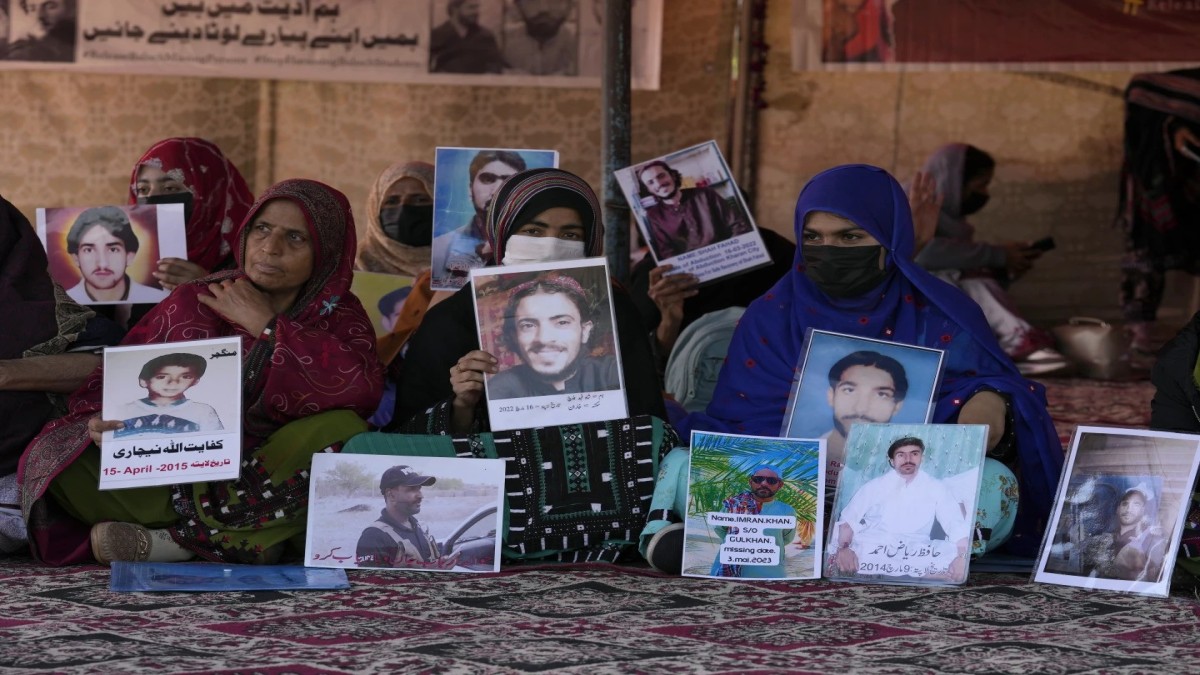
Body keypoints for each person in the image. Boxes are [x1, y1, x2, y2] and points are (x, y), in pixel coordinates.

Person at [649, 164, 1063, 567]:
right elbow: (743, 418)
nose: (830, 251)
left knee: (994, 484)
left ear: (890, 239)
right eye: (813, 237)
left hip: (905, 492)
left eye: (850, 237)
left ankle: (794, 543)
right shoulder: (773, 314)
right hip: (781, 485)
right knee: (683, 463)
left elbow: (981, 386)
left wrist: (987, 400)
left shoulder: (936, 312)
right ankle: (884, 550)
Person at [19, 179, 384, 566]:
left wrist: (268, 326)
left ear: (325, 253)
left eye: (295, 237)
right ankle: (248, 536)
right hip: (176, 475)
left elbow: (361, 391)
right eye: (262, 229)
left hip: (277, 469)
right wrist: (100, 422)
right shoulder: (196, 298)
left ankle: (180, 541)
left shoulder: (340, 314)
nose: (270, 247)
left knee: (345, 431)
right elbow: (117, 379)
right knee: (56, 457)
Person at [393, 167, 665, 434]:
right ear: (502, 232)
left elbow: (648, 423)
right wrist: (462, 406)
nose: (551, 246)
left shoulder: (616, 311)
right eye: (533, 231)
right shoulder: (452, 321)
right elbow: (413, 440)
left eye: (570, 235)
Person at [914, 143, 1067, 374]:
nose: (985, 193)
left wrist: (1005, 268)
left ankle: (1004, 348)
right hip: (906, 296)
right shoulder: (912, 204)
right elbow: (923, 254)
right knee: (967, 275)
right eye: (981, 184)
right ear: (955, 180)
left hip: (939, 294)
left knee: (970, 275)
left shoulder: (956, 225)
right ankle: (1019, 343)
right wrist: (997, 255)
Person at [1115, 69, 1200, 358]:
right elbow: (1143, 91)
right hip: (1167, 182)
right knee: (1146, 253)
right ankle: (1141, 336)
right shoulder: (1169, 86)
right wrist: (1172, 126)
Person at [828, 436, 971, 582]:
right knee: (847, 548)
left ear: (922, 458)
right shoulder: (875, 486)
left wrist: (961, 557)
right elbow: (849, 521)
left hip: (916, 549)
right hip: (875, 544)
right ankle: (920, 574)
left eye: (914, 454)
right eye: (901, 455)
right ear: (892, 461)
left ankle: (886, 572)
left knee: (952, 553)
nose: (908, 459)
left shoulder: (936, 487)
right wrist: (844, 549)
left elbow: (955, 524)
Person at [131, 137, 255, 293]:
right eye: (142, 189)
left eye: (170, 188)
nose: (151, 200)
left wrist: (210, 286)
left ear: (212, 194)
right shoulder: (120, 253)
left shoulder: (252, 257)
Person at [487, 272, 619, 400]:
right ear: (514, 336)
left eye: (562, 322)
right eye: (528, 325)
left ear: (584, 331)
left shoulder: (611, 372)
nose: (544, 338)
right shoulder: (501, 388)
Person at [430, 150, 527, 290]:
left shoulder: (538, 248)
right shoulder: (440, 248)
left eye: (508, 181)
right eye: (488, 179)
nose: (496, 191)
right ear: (470, 189)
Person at [820, 350, 907, 488]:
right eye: (849, 390)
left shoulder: (905, 476)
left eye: (881, 394)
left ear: (897, 406)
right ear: (831, 396)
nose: (861, 409)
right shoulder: (798, 457)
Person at [635, 160, 750, 261]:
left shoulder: (705, 194)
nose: (659, 184)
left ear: (673, 176)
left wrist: (733, 253)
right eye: (651, 182)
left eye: (661, 176)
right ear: (649, 190)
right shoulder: (653, 216)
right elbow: (667, 252)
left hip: (728, 256)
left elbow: (738, 225)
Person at [355, 465, 459, 569]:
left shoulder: (419, 527)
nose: (420, 495)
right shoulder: (374, 536)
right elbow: (369, 583)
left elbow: (425, 567)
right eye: (412, 489)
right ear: (391, 495)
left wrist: (436, 566)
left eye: (419, 489)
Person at [63, 207, 168, 305]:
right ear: (76, 258)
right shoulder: (61, 303)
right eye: (89, 250)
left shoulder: (163, 300)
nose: (102, 264)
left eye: (113, 250)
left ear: (129, 257)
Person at [709, 465, 797, 578]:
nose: (764, 484)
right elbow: (720, 529)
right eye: (758, 479)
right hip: (728, 572)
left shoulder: (787, 511)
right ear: (751, 482)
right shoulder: (733, 505)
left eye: (771, 481)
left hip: (770, 572)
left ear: (780, 485)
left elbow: (785, 539)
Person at [112, 353, 223, 437]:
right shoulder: (124, 410)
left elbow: (218, 444)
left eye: (185, 377)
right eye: (161, 377)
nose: (173, 382)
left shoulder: (202, 411)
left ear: (195, 381)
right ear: (144, 381)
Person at [1077, 486, 1167, 583]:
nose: (1128, 509)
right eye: (1125, 504)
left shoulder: (1151, 540)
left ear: (1143, 510)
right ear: (1118, 509)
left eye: (1136, 504)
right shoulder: (1103, 539)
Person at [503, 0, 578, 76]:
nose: (543, 9)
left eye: (555, 1)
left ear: (571, 5)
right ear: (517, 4)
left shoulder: (581, 50)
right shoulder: (501, 46)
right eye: (533, 2)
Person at [429, 0, 505, 74]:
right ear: (455, 9)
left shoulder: (485, 36)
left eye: (477, 7)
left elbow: (495, 66)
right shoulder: (436, 35)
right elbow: (426, 66)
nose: (476, 12)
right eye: (471, 7)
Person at [3, 0, 75, 62]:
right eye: (32, 8)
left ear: (70, 9)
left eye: (50, 7)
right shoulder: (20, 53)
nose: (39, 16)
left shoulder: (77, 48)